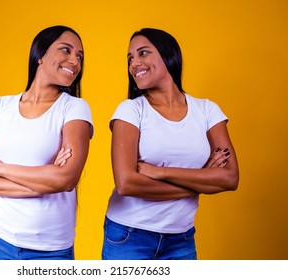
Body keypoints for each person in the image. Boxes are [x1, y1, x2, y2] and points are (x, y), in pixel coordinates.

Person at [101, 28, 239, 260]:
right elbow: (126, 184)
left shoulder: (207, 110)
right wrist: (201, 179)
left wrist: (159, 172)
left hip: (181, 238)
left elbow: (230, 178)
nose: (134, 63)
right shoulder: (131, 110)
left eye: (143, 53)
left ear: (168, 56)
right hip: (130, 236)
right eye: (130, 58)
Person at [0, 25, 93, 260]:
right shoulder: (1, 106)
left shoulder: (74, 108)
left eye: (79, 56)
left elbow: (66, 179)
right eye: (66, 50)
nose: (75, 61)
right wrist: (42, 183)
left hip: (50, 248)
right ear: (40, 56)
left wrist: (0, 169)